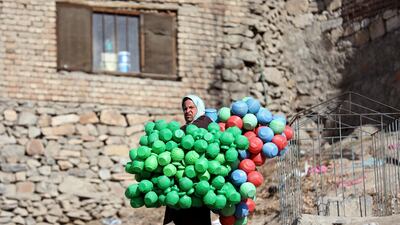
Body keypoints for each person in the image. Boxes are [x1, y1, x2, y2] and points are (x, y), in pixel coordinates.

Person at [163, 94, 213, 225]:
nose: (188, 111)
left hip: (197, 189)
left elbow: (190, 131)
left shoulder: (205, 121)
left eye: (191, 107)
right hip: (183, 188)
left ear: (199, 108)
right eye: (185, 109)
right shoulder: (186, 128)